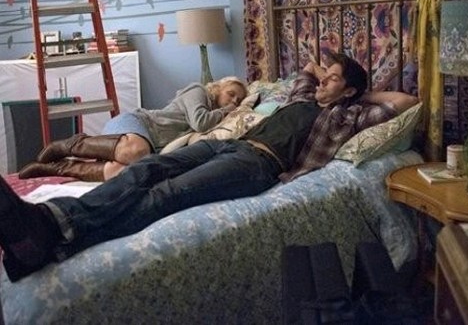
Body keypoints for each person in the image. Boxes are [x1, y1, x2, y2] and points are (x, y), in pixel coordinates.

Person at [0, 53, 418, 282]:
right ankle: (51, 221)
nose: (323, 80)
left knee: (166, 195)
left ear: (350, 90)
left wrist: (358, 93)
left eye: (334, 79)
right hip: (227, 145)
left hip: (258, 164)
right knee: (147, 168)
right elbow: (308, 68)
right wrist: (331, 76)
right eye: (326, 77)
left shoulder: (347, 116)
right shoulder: (302, 96)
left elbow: (406, 103)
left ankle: (54, 238)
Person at [18, 76, 248, 182]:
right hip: (137, 123)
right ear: (219, 87)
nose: (234, 101)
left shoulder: (219, 120)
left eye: (238, 100)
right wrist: (227, 110)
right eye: (231, 94)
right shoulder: (198, 91)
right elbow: (200, 121)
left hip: (147, 145)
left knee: (122, 173)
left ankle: (58, 168)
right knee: (137, 151)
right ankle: (66, 145)